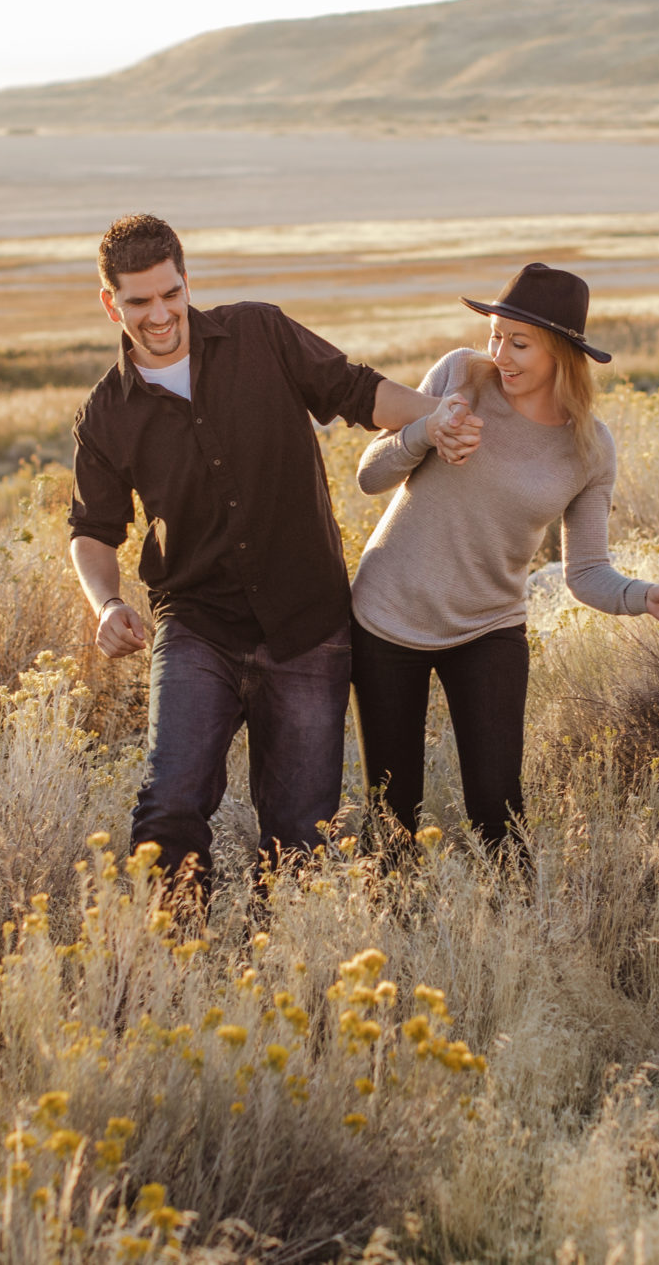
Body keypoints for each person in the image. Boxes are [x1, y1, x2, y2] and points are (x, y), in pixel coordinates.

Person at [66, 213, 482, 898]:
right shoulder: (105, 413)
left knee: (300, 840)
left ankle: (285, 972)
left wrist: (432, 419)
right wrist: (106, 602)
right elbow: (92, 529)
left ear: (185, 279)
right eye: (139, 301)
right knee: (169, 805)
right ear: (111, 303)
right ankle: (175, 970)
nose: (160, 313)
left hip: (306, 626)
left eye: (170, 293)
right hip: (198, 624)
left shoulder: (259, 332)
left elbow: (354, 389)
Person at [349, 261, 659, 854]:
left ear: (562, 353)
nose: (500, 354)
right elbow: (370, 475)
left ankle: (517, 929)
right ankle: (393, 936)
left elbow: (586, 572)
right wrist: (427, 431)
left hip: (489, 626)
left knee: (499, 808)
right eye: (495, 334)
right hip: (388, 617)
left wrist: (645, 597)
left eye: (519, 343)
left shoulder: (590, 447)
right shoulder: (462, 374)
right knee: (391, 814)